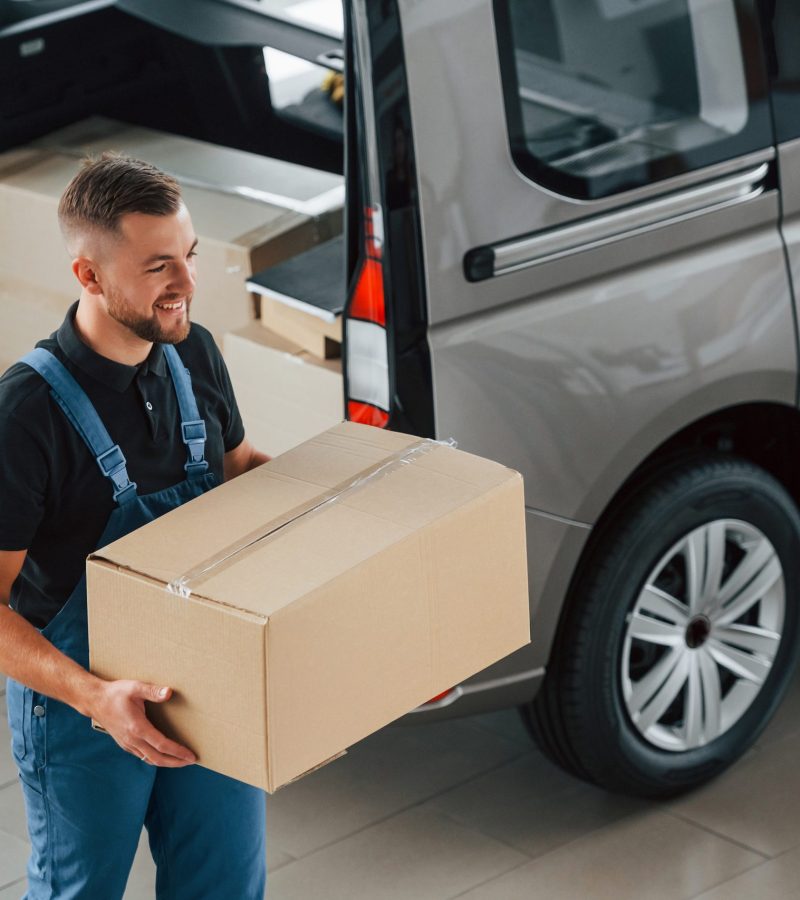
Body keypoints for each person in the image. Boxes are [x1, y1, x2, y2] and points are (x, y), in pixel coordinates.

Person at [0, 153, 271, 899]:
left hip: (210, 681)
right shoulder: (24, 417)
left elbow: (242, 469)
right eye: (159, 267)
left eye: (188, 256)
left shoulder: (196, 352)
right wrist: (95, 698)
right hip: (83, 715)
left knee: (225, 888)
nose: (187, 285)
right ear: (88, 276)